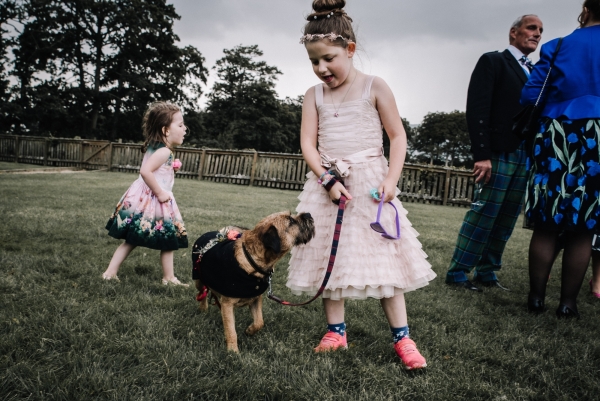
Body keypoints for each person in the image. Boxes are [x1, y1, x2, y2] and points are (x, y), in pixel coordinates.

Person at [286, 0, 436, 370]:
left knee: (384, 259)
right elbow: (308, 143)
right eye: (314, 61)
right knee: (327, 258)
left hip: (371, 184)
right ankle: (336, 331)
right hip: (328, 184)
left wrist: (391, 180)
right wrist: (327, 180)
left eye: (329, 59)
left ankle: (402, 337)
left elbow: (397, 137)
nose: (322, 68)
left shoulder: (374, 86)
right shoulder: (313, 95)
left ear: (350, 50)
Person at [445, 15, 544, 292]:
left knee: (507, 217)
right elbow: (478, 108)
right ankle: (458, 272)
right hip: (496, 153)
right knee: (484, 214)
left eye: (540, 31)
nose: (537, 34)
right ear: (513, 33)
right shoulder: (493, 61)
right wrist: (482, 154)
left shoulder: (536, 72)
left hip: (524, 154)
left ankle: (487, 272)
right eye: (531, 28)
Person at [523, 0, 600, 318]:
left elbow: (530, 94)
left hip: (555, 135)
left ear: (587, 8)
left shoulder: (556, 46)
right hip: (596, 137)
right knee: (583, 227)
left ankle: (536, 299)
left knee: (546, 221)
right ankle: (568, 304)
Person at [102, 101, 189, 286]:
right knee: (168, 238)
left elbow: (154, 171)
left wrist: (171, 169)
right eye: (180, 125)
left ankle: (111, 272)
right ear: (166, 130)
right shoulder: (164, 151)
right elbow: (145, 171)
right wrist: (160, 192)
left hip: (144, 200)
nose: (185, 129)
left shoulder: (157, 147)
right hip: (153, 201)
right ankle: (168, 278)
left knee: (133, 239)